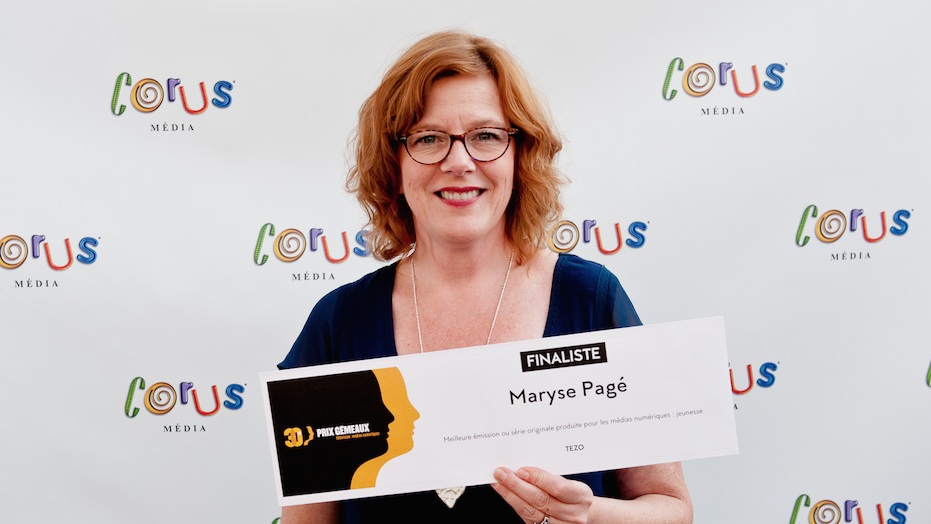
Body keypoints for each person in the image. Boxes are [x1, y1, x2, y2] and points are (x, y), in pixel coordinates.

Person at [279, 30, 693, 523]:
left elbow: (672, 510)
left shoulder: (590, 298)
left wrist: (588, 515)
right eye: (428, 138)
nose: (459, 162)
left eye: (487, 136)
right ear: (394, 162)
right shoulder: (338, 323)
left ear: (520, 155)